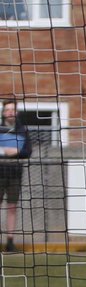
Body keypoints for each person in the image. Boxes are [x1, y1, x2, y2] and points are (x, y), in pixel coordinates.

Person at [0, 99, 31, 253]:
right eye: (7, 110)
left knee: (12, 207)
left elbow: (28, 151)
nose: (10, 112)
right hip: (0, 173)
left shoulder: (22, 131)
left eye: (13, 110)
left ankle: (10, 242)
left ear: (16, 112)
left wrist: (17, 152)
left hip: (15, 174)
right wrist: (3, 151)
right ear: (3, 112)